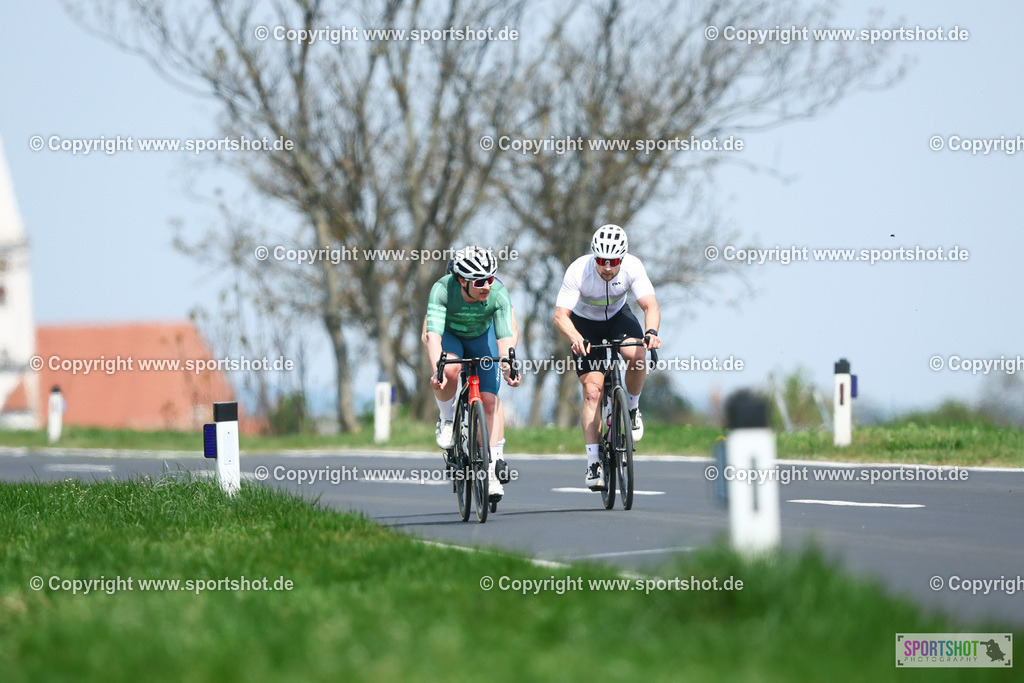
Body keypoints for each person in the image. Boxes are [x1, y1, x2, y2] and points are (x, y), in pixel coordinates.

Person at [553, 224, 662, 491]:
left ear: (622, 259)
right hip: (584, 325)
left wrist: (651, 332)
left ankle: (632, 409)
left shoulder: (633, 267)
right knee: (592, 392)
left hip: (617, 319)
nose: (607, 268)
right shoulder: (579, 270)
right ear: (595, 257)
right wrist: (575, 337)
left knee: (636, 355)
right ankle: (593, 462)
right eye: (602, 261)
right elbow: (559, 315)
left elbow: (650, 305)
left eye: (613, 262)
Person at [424, 246, 519, 501]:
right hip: (451, 335)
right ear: (462, 281)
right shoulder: (443, 289)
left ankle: (489, 470)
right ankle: (446, 419)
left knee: (489, 401)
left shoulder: (497, 292)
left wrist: (509, 366)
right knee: (451, 369)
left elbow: (505, 337)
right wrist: (438, 370)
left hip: (482, 336)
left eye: (490, 278)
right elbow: (432, 336)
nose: (487, 285)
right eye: (480, 281)